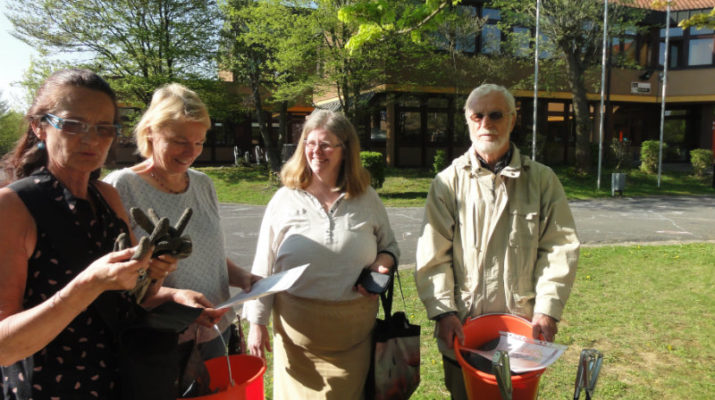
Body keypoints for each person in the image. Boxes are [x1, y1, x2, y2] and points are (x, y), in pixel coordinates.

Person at [0, 69, 219, 399]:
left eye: (104, 129)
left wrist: (169, 293)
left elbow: (132, 300)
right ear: (39, 127)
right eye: (73, 125)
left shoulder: (106, 197)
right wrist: (89, 284)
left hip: (123, 382)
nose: (91, 139)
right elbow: (5, 347)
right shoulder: (14, 207)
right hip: (51, 387)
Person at [415, 83, 580, 399]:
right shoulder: (447, 183)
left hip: (522, 328)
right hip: (464, 328)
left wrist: (547, 309)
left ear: (513, 120)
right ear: (468, 121)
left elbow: (559, 248)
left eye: (495, 115)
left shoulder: (543, 181)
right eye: (477, 116)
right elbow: (432, 255)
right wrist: (443, 312)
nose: (486, 124)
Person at [103, 83, 260, 371]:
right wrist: (174, 298)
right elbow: (115, 280)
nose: (191, 152)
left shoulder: (202, 183)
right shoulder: (121, 186)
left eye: (199, 142)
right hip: (163, 339)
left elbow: (207, 252)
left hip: (217, 329)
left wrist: (244, 277)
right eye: (179, 141)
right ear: (150, 131)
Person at [245, 109, 400, 399]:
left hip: (354, 342)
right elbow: (263, 265)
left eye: (326, 144)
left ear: (346, 151)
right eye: (310, 143)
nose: (316, 152)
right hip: (296, 345)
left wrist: (384, 261)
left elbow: (390, 246)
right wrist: (256, 323)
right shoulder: (284, 199)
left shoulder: (367, 198)